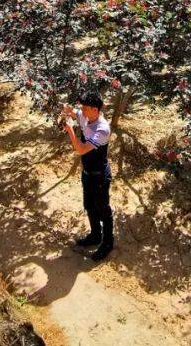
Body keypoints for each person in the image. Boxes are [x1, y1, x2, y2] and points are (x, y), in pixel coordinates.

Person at [61, 92, 114, 261]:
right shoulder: (84, 116)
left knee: (103, 210)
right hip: (87, 173)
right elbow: (73, 112)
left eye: (85, 107)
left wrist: (70, 131)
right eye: (82, 107)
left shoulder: (102, 128)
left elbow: (82, 149)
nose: (81, 110)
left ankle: (107, 243)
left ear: (95, 109)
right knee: (90, 206)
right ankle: (95, 236)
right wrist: (67, 110)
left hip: (99, 176)